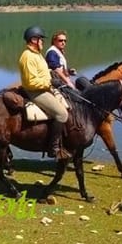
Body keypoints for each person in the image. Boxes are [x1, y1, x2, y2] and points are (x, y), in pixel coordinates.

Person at [18, 26, 71, 159]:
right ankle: (53, 148)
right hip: (35, 92)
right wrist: (50, 83)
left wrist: (54, 77)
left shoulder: (37, 54)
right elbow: (31, 82)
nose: (42, 42)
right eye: (41, 39)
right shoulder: (28, 56)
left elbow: (43, 72)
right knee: (61, 114)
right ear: (33, 40)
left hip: (45, 88)